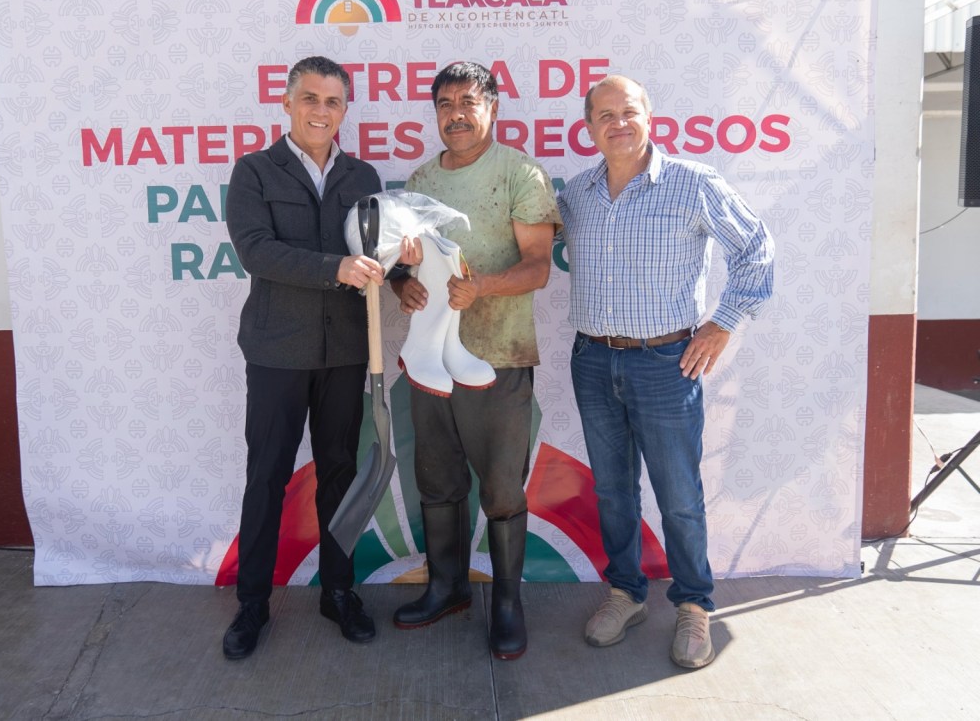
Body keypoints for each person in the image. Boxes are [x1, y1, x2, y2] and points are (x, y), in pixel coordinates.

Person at [557, 75, 774, 669]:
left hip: (665, 362)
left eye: (628, 111)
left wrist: (722, 323)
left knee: (678, 494)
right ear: (588, 127)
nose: (618, 123)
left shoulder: (693, 183)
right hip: (592, 358)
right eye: (604, 115)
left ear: (650, 117)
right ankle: (626, 593)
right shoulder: (577, 195)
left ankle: (694, 604)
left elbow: (756, 248)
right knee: (612, 489)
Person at [223, 56, 415, 659]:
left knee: (339, 474)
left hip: (347, 352)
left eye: (333, 102)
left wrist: (405, 265)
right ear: (286, 103)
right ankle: (252, 604)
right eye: (310, 98)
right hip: (277, 350)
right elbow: (257, 251)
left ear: (344, 110)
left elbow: (377, 254)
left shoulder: (363, 175)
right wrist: (336, 268)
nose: (320, 111)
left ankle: (339, 591)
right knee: (267, 476)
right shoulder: (254, 171)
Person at [391, 61, 561, 660]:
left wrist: (482, 287)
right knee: (437, 481)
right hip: (431, 363)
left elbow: (538, 266)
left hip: (499, 357)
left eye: (468, 102)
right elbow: (406, 265)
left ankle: (508, 604)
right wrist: (402, 287)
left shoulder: (520, 172)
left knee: (502, 489)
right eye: (445, 104)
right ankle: (447, 587)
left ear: (492, 108)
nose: (456, 115)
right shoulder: (420, 179)